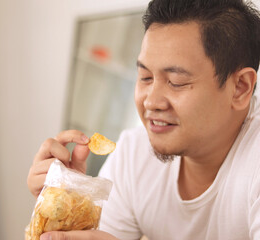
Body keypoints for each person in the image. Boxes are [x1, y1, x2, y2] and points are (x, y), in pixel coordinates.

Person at [27, 0, 260, 239]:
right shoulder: (134, 153)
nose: (151, 101)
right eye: (145, 77)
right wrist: (67, 210)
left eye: (176, 82)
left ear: (240, 88)